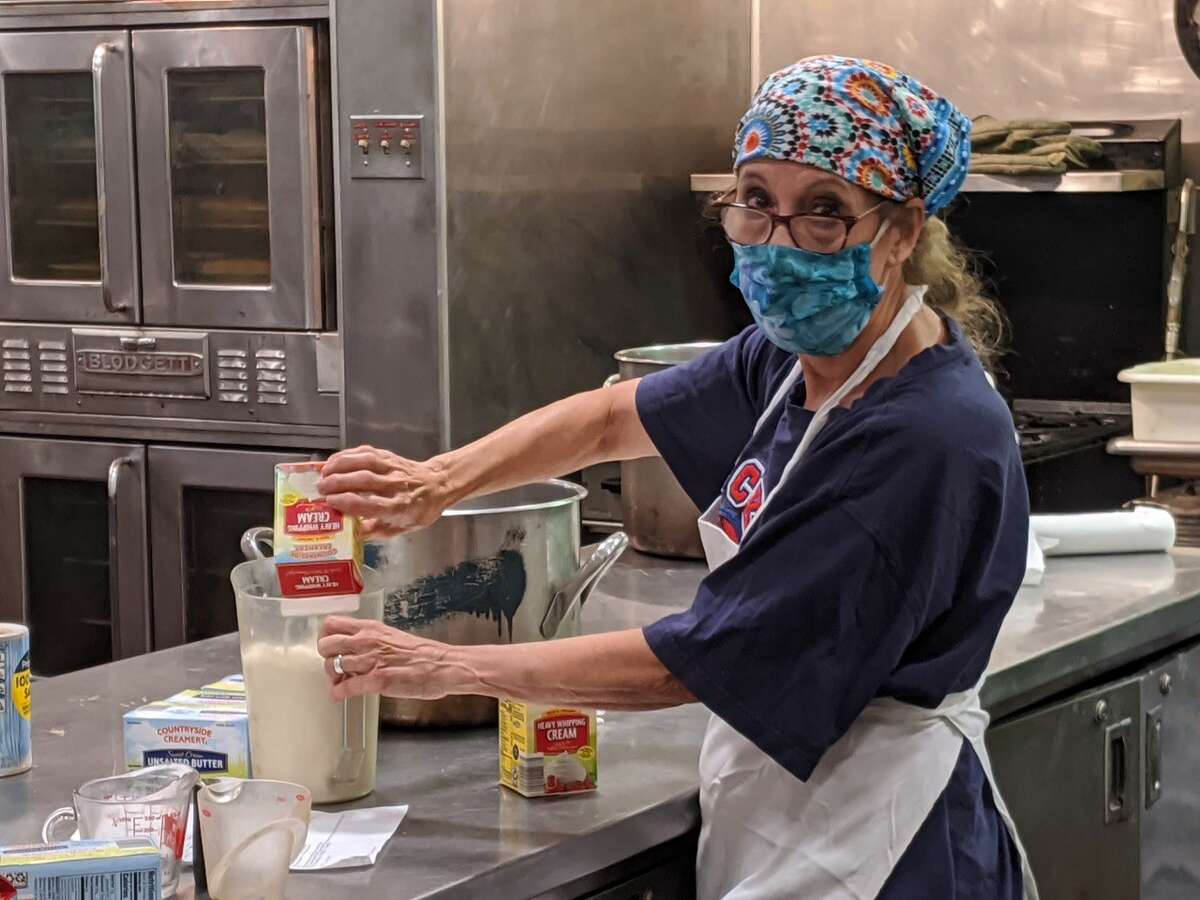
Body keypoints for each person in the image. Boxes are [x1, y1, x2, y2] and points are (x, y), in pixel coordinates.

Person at [314, 55, 1038, 899]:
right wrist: (436, 482)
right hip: (790, 803)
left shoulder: (920, 435)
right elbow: (615, 415)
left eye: (826, 213)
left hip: (888, 840)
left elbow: (692, 664)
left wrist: (449, 666)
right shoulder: (800, 357)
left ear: (903, 230)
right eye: (757, 200)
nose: (778, 240)